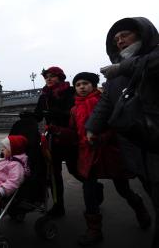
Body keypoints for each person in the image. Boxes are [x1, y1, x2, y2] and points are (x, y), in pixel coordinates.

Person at [85, 17, 159, 248]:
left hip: (156, 141)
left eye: (125, 35)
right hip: (136, 146)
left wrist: (121, 68)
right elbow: (105, 103)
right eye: (116, 39)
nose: (120, 41)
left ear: (142, 34)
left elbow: (150, 64)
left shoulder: (151, 56)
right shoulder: (115, 75)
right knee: (152, 190)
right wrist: (91, 127)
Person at [70, 72, 150, 246]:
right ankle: (94, 230)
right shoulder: (74, 108)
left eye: (85, 83)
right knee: (89, 191)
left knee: (123, 189)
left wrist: (102, 138)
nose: (82, 87)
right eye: (78, 84)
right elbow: (75, 132)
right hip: (88, 155)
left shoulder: (104, 102)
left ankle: (139, 207)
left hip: (109, 152)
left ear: (93, 85)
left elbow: (117, 125)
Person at [33, 66, 86, 218]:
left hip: (68, 137)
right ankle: (58, 206)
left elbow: (74, 112)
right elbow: (38, 116)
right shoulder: (44, 95)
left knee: (74, 169)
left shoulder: (69, 92)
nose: (48, 79)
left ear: (60, 77)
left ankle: (94, 187)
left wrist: (56, 113)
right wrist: (29, 115)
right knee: (54, 174)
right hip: (52, 139)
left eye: (52, 76)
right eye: (46, 76)